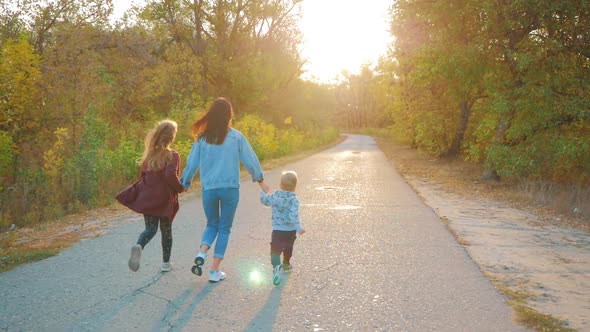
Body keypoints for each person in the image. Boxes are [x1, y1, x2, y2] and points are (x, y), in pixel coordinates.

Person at [180, 97, 268, 282]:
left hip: (209, 189)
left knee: (212, 224)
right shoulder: (236, 136)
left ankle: (202, 253)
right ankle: (214, 271)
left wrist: (185, 183)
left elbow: (191, 163)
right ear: (229, 115)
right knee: (224, 228)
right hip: (229, 189)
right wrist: (259, 180)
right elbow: (250, 160)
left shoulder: (202, 138)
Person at [116, 120, 186, 273]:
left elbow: (142, 175)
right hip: (165, 199)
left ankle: (139, 245)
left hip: (148, 197)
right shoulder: (172, 155)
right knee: (166, 231)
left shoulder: (149, 156)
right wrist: (180, 188)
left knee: (150, 229)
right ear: (171, 137)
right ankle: (165, 264)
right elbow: (169, 175)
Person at [260, 170, 305, 286]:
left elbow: (264, 201)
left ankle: (276, 268)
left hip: (277, 230)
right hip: (290, 231)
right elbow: (292, 215)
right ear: (294, 187)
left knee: (275, 250)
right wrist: (298, 227)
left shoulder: (275, 195)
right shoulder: (294, 200)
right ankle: (286, 264)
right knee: (288, 248)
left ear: (281, 185)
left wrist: (262, 191)